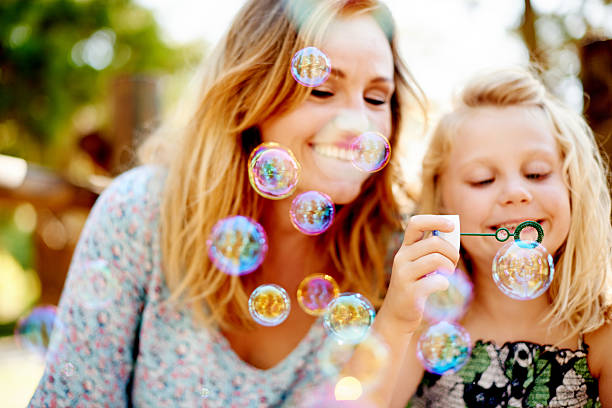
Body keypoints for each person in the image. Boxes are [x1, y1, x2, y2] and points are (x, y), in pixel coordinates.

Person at [28, 0, 455, 406]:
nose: (359, 124)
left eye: (377, 98)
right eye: (322, 90)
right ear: (251, 95)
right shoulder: (140, 213)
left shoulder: (396, 257)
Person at [394, 68, 612, 407]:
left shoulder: (603, 336)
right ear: (442, 202)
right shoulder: (421, 329)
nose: (515, 192)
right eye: (483, 179)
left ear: (573, 188)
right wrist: (398, 320)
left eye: (537, 173)